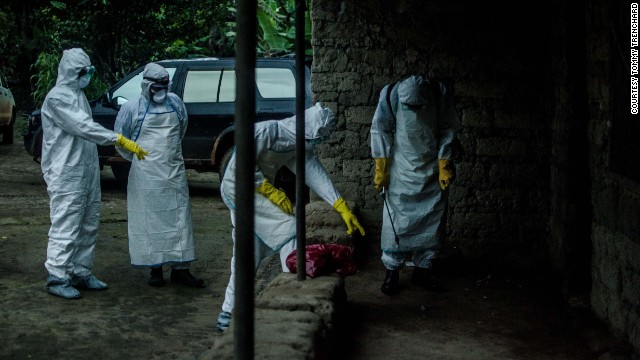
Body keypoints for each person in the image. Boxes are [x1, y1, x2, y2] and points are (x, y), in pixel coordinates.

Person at [216, 102, 365, 332]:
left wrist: (339, 204)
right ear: (308, 131)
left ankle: (227, 313)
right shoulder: (267, 132)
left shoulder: (297, 143)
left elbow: (314, 173)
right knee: (289, 228)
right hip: (240, 188)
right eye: (314, 140)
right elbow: (240, 165)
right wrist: (270, 191)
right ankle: (294, 284)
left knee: (248, 254)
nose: (313, 145)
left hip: (257, 191)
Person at [41, 48, 149, 299]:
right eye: (83, 71)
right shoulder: (57, 98)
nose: (87, 75)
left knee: (89, 222)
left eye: (89, 70)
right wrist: (118, 139)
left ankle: (80, 271)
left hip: (84, 169)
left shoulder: (77, 95)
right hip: (66, 172)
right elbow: (83, 127)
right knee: (67, 223)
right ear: (71, 71)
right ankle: (58, 275)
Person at [114, 63, 204, 288]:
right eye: (156, 86)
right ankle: (155, 269)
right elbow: (120, 140)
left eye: (164, 85)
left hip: (173, 172)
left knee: (179, 220)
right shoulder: (131, 108)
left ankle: (181, 269)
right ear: (146, 85)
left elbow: (181, 129)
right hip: (146, 176)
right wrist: (139, 158)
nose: (160, 90)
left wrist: (169, 156)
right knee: (149, 222)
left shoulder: (175, 103)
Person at [370, 74, 459, 295]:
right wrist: (381, 166)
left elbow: (448, 128)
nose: (416, 111)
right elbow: (380, 129)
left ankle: (423, 270)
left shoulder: (440, 94)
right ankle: (392, 271)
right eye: (411, 107)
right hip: (401, 169)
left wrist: (445, 162)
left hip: (432, 169)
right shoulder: (390, 95)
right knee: (396, 222)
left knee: (431, 220)